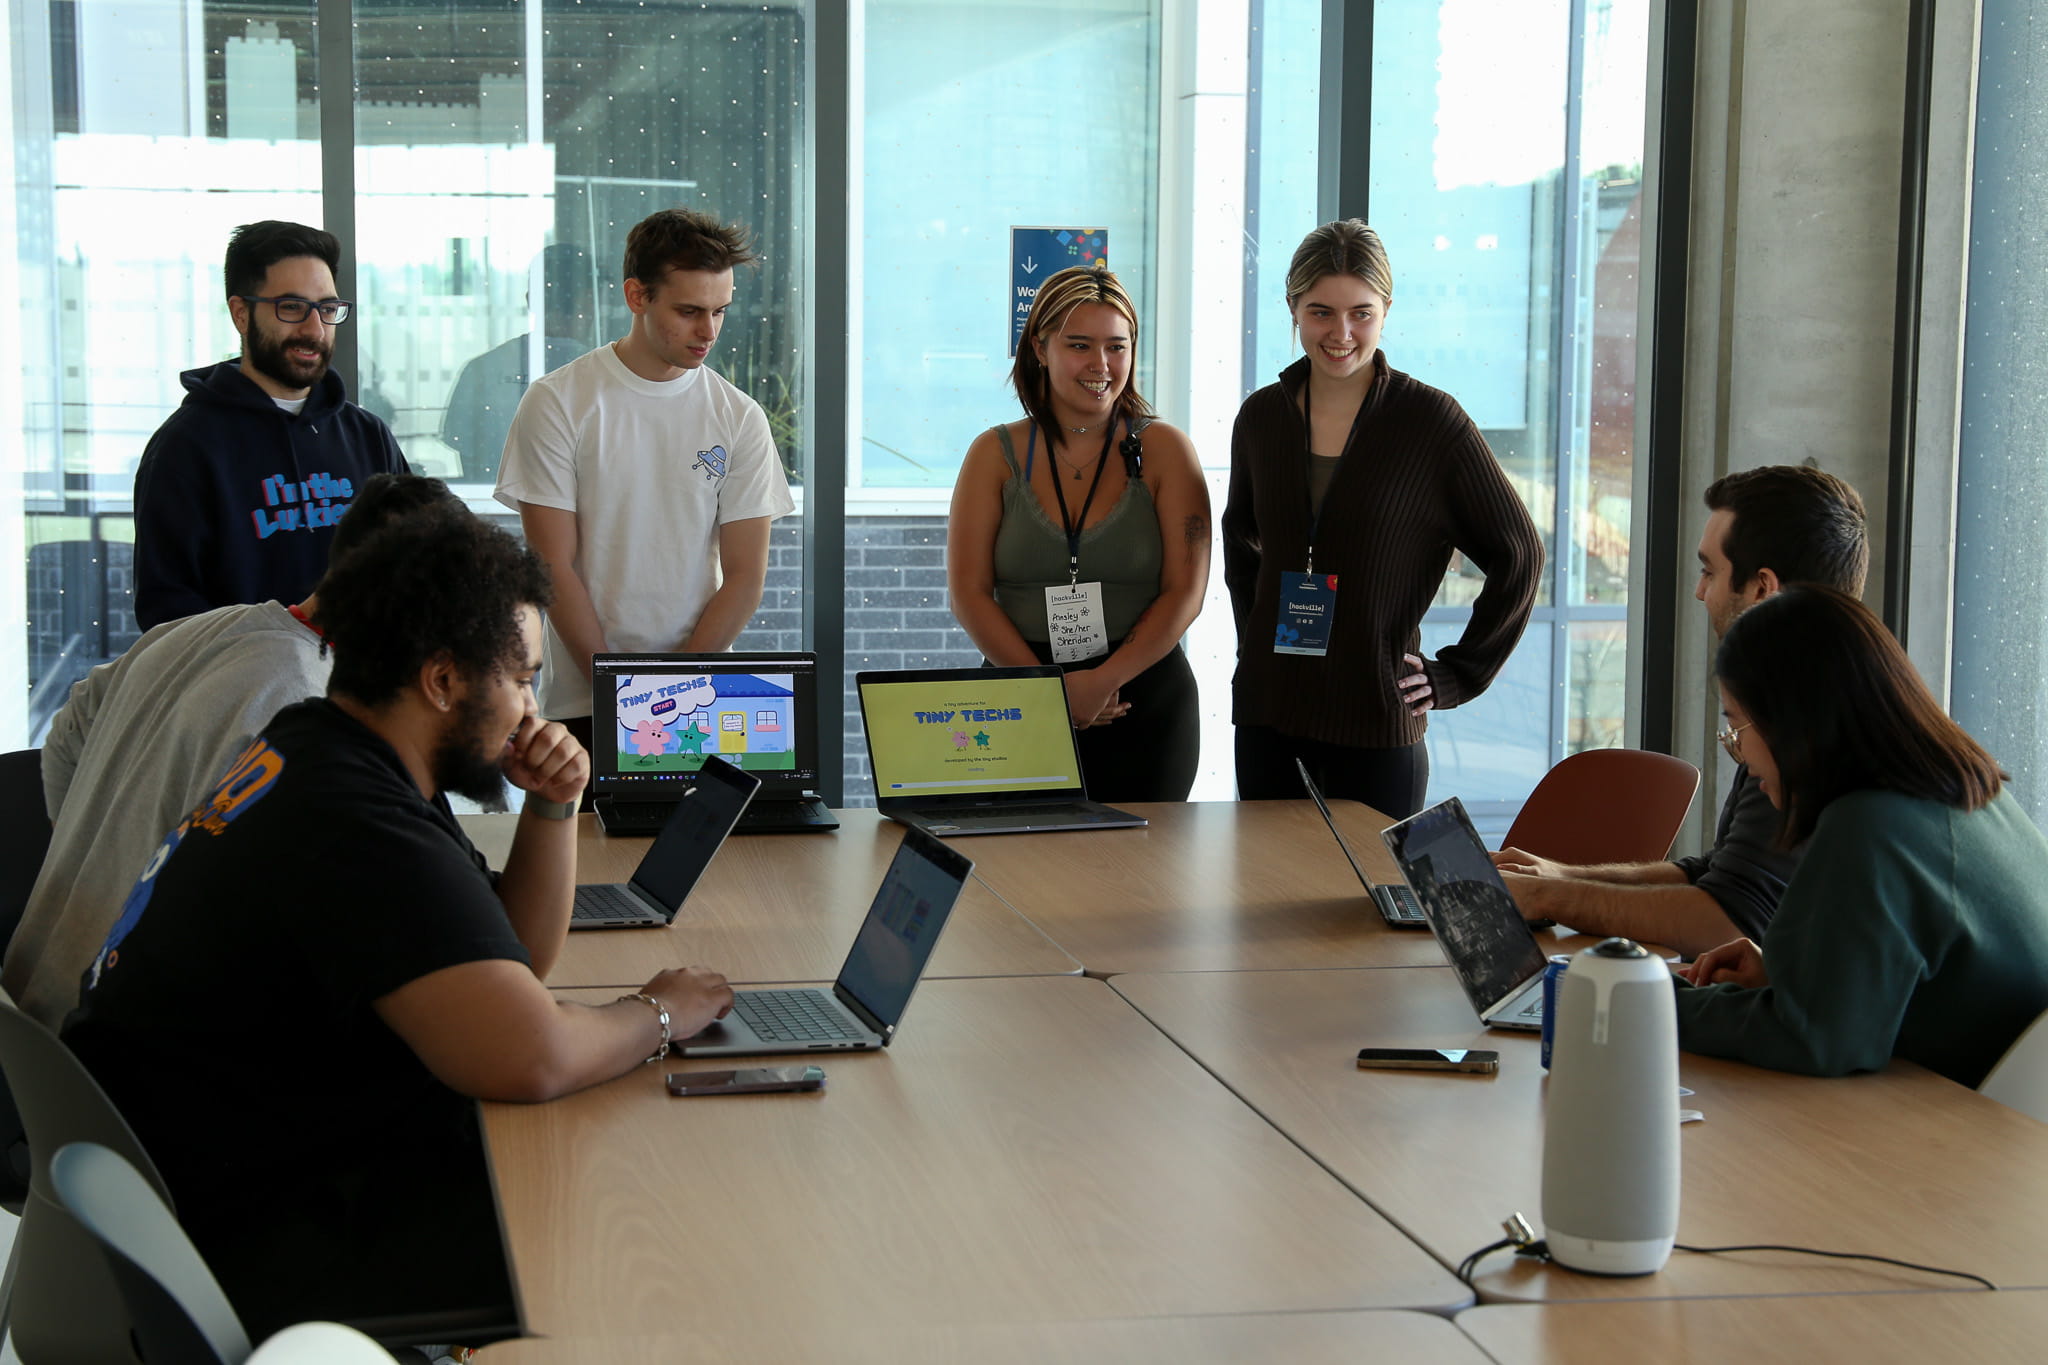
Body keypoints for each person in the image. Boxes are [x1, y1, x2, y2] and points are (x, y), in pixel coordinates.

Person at [61, 512, 737, 1339]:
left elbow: (512, 960)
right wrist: (660, 1011)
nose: (530, 711)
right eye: (521, 678)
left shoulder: (320, 747)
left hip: (222, 1185)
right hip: (272, 1235)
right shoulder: (350, 820)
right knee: (626, 1237)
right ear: (444, 679)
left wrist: (553, 807)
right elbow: (531, 1053)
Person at [4, 475, 465, 1028]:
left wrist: (90, 845)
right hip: (121, 1039)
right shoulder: (307, 707)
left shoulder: (193, 631)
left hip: (36, 1005)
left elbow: (66, 732)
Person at [1222, 220, 1541, 818]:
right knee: (1267, 905)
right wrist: (1254, 645)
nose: (1341, 333)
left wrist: (1460, 674)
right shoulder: (1261, 417)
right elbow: (1241, 539)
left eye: (1360, 313)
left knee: (1370, 905)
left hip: (1375, 718)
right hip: (1268, 717)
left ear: (1386, 311)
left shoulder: (1431, 423)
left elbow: (1519, 553)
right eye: (1320, 312)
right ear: (1293, 308)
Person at [1674, 585, 2048, 1088]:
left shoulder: (1870, 825)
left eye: (1737, 727)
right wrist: (1796, 972)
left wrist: (1644, 999)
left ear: (1793, 721)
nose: (1738, 754)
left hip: (1968, 1136)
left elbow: (1814, 1040)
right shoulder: (1966, 793)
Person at [1495, 464, 1868, 957]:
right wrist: (1559, 875)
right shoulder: (1822, 690)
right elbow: (1718, 873)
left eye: (1710, 572)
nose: (1699, 592)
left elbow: (1730, 918)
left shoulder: (1810, 723)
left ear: (1762, 589)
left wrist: (1549, 897)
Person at [495, 208, 794, 758]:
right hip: (584, 701)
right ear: (637, 296)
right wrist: (621, 693)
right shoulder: (559, 401)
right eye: (689, 311)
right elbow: (552, 567)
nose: (708, 331)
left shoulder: (739, 416)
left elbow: (746, 577)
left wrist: (675, 689)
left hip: (701, 702)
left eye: (720, 311)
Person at [945, 264, 1210, 801]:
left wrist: (1099, 681)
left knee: (1140, 877)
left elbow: (1187, 591)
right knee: (1020, 876)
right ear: (1040, 348)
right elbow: (968, 594)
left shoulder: (1167, 451)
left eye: (1117, 346)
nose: (1102, 365)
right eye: (1080, 345)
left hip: (1143, 699)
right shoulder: (993, 454)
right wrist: (1050, 692)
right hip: (1019, 696)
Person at [132, 220, 410, 630]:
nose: (314, 329)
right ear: (241, 314)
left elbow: (418, 558)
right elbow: (168, 616)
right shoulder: (185, 448)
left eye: (327, 309)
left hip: (364, 687)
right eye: (292, 307)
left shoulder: (367, 435)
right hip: (248, 691)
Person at [440, 243, 595, 484]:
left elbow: (474, 474)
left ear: (531, 300)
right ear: (592, 301)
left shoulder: (482, 370)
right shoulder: (611, 375)